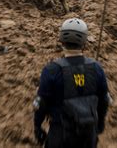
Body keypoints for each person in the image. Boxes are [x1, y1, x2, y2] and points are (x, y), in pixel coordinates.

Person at [33, 18, 110, 148]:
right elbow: (105, 99)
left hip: (60, 134)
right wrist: (100, 124)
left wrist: (37, 126)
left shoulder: (51, 70)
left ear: (61, 40)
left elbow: (41, 103)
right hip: (88, 134)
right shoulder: (96, 68)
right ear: (84, 42)